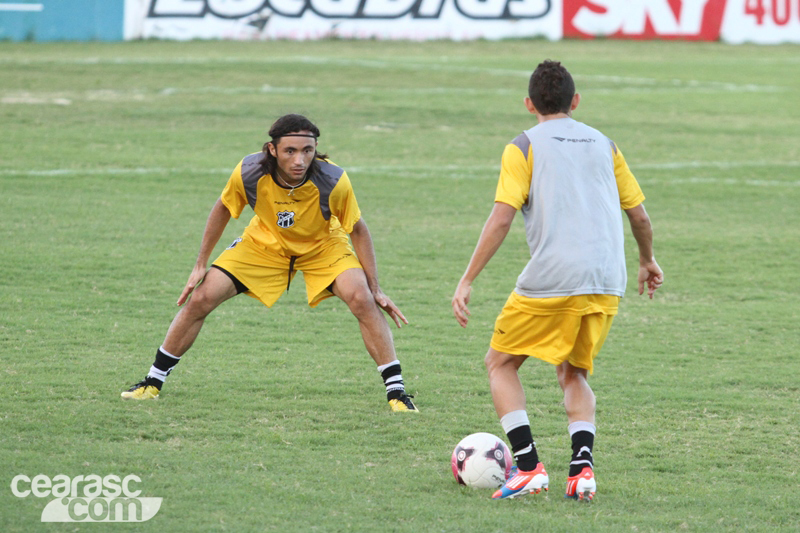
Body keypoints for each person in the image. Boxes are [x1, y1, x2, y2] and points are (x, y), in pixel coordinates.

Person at [452, 61, 663, 500]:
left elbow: (501, 218)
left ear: (529, 104)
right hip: (608, 277)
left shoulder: (523, 145)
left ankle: (527, 466)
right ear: (576, 101)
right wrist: (647, 259)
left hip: (554, 277)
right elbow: (639, 214)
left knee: (501, 363)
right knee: (574, 371)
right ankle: (581, 471)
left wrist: (467, 278)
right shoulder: (606, 144)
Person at [122, 113, 418, 412]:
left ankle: (397, 393)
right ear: (272, 149)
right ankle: (152, 382)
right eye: (290, 151)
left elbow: (358, 228)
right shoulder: (249, 172)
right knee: (201, 297)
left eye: (307, 151)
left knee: (361, 298)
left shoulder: (333, 180)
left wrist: (376, 288)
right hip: (265, 244)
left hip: (323, 245)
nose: (300, 160)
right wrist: (201, 263)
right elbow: (224, 207)